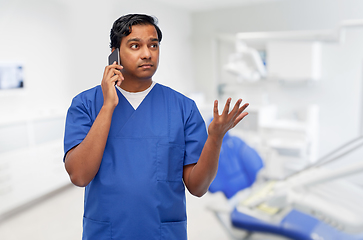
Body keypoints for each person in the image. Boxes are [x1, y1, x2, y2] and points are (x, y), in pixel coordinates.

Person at [63, 13, 249, 240]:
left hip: (163, 233)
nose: (147, 53)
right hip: (107, 232)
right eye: (135, 45)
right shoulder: (86, 105)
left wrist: (216, 138)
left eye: (153, 45)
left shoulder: (183, 108)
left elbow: (198, 187)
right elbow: (79, 176)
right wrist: (108, 106)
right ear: (115, 53)